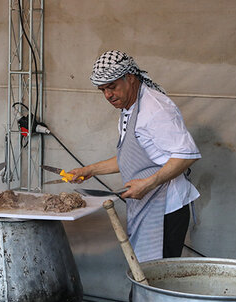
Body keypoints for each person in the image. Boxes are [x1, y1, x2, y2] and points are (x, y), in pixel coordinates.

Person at [69, 50, 201, 262]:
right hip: (146, 205)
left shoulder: (155, 109)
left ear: (129, 78)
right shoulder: (129, 108)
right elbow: (132, 157)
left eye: (112, 87)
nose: (108, 95)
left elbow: (187, 154)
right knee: (142, 272)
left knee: (156, 280)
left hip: (166, 209)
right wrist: (89, 170)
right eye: (102, 89)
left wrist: (148, 184)